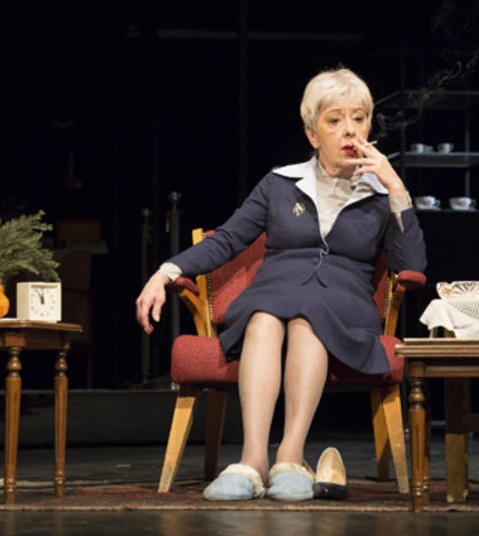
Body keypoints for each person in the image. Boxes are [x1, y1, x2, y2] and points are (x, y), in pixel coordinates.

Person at [136, 67, 426, 502]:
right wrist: (167, 271)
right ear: (312, 133)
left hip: (343, 302)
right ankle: (252, 461)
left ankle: (289, 456)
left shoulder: (382, 194)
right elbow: (228, 239)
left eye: (359, 118)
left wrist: (396, 187)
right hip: (274, 292)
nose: (350, 130)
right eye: (335, 120)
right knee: (264, 319)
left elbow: (412, 266)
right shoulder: (280, 183)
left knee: (307, 320)